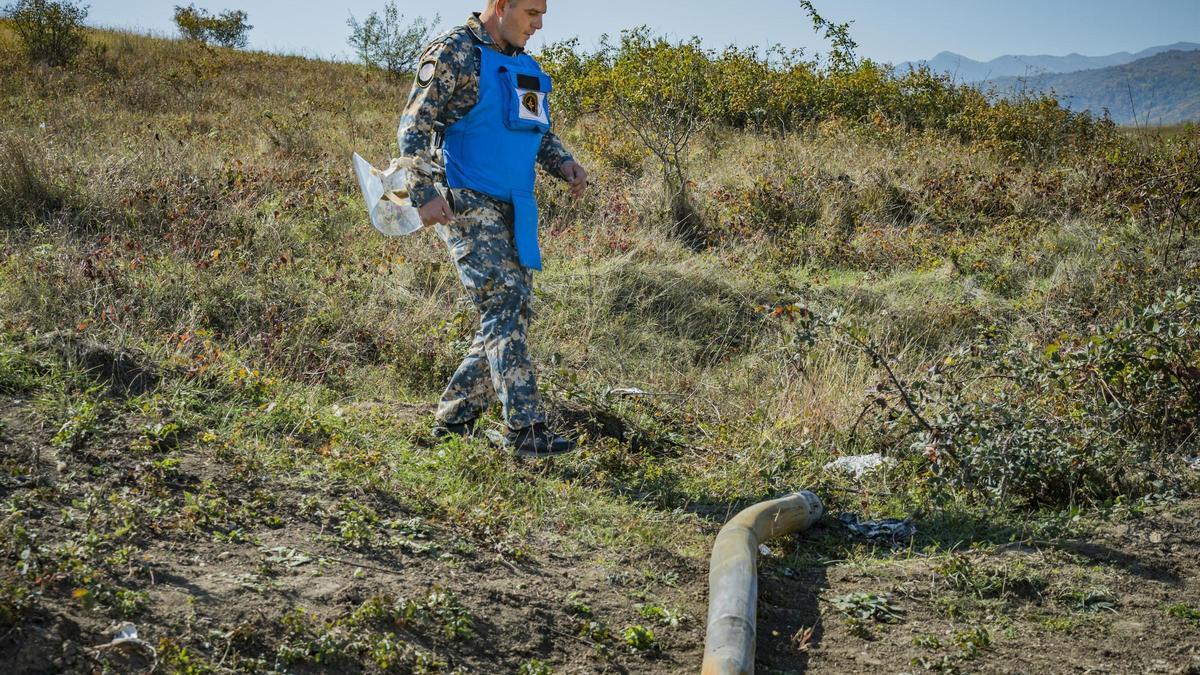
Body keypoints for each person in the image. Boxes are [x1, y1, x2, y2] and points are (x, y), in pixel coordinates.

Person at [396, 0, 588, 457]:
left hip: (516, 207)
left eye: (543, 14)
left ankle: (453, 418)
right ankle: (526, 431)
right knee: (506, 299)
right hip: (465, 198)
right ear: (500, 6)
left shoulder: (525, 66)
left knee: (511, 312)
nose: (539, 24)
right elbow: (413, 127)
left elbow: (536, 131)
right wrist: (423, 192)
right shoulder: (454, 52)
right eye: (531, 12)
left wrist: (564, 164)